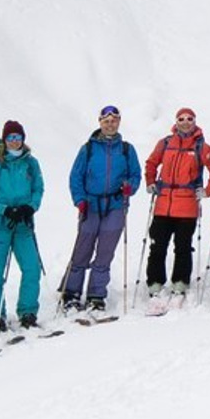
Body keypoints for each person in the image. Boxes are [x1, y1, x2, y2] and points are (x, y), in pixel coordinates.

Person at [62, 104, 143, 315]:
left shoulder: (127, 149)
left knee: (105, 253)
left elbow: (135, 175)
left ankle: (96, 295)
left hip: (115, 206)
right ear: (100, 122)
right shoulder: (88, 148)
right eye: (106, 120)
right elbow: (75, 176)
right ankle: (70, 293)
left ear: (119, 122)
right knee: (82, 250)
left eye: (114, 120)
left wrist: (129, 188)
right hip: (90, 205)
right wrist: (79, 200)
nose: (110, 124)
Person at [0, 120, 45, 331]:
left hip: (23, 223)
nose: (14, 142)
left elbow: (38, 189)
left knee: (32, 267)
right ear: (4, 140)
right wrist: (5, 209)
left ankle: (28, 312)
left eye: (18, 137)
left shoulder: (31, 163)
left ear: (23, 139)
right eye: (10, 138)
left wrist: (30, 207)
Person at [143, 107, 210, 297]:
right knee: (158, 245)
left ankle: (181, 281)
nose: (185, 122)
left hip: (187, 205)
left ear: (194, 121)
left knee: (183, 246)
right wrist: (150, 182)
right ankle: (155, 282)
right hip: (163, 204)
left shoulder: (201, 146)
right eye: (181, 118)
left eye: (189, 118)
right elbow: (151, 163)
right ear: (176, 122)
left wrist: (207, 191)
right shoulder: (165, 143)